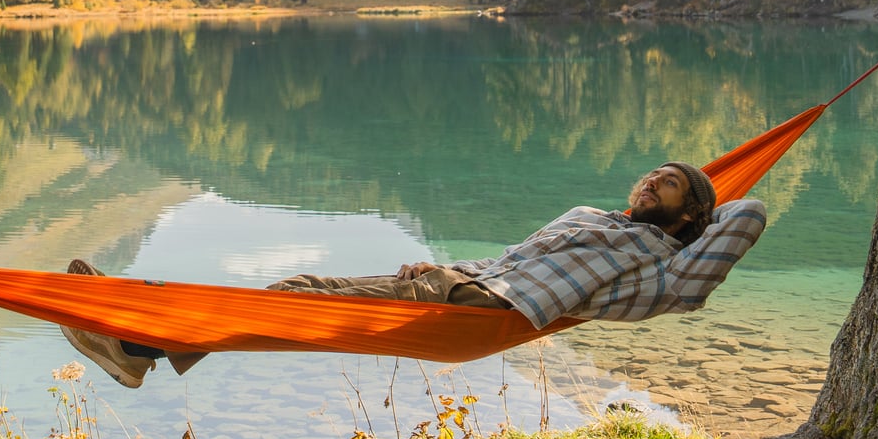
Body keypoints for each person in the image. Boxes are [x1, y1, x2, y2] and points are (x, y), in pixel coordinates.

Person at [60, 161, 767, 388]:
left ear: (688, 216)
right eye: (651, 174)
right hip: (459, 286)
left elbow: (738, 222)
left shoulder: (660, 264)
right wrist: (441, 265)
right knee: (300, 291)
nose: (651, 182)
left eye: (670, 185)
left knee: (291, 298)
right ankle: (141, 351)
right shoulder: (591, 215)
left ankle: (139, 349)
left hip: (485, 311)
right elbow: (514, 260)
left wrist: (707, 212)